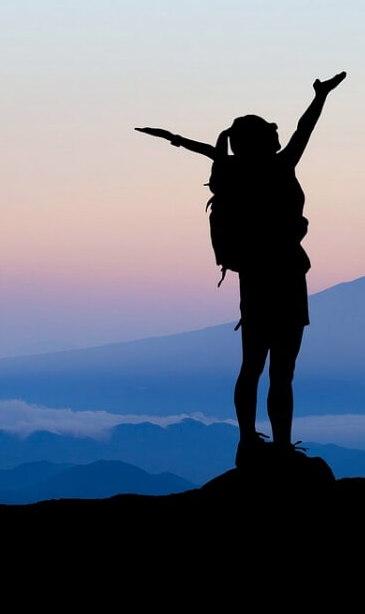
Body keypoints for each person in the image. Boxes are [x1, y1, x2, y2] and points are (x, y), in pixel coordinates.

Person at [137, 71, 346, 468]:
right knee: (282, 370)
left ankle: (247, 439)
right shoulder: (281, 167)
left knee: (252, 365)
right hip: (286, 275)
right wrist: (320, 97)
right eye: (271, 134)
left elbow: (211, 153)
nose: (279, 137)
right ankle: (281, 445)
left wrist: (175, 139)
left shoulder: (234, 173)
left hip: (253, 279)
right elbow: (306, 129)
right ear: (265, 141)